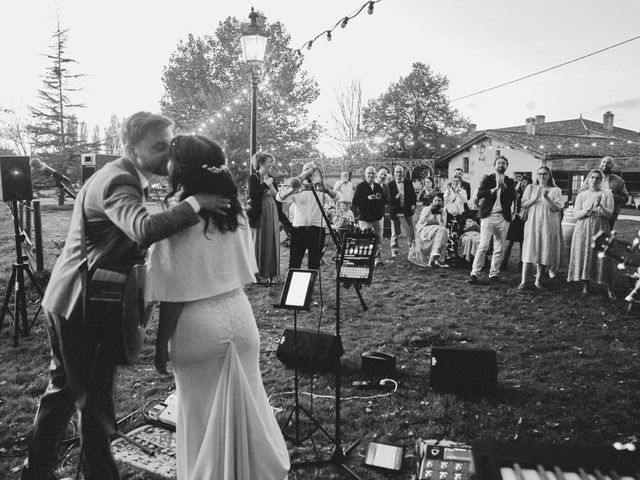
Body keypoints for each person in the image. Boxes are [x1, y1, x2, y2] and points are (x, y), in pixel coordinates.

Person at [21, 112, 230, 480]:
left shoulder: (124, 175)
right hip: (83, 305)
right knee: (96, 402)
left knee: (64, 390)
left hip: (67, 297)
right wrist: (196, 203)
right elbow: (143, 228)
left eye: (170, 144)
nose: (169, 155)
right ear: (131, 149)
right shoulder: (120, 179)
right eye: (159, 147)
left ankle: (35, 470)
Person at [149, 135, 290, 480]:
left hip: (196, 325)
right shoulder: (236, 211)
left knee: (200, 419)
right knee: (247, 411)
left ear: (181, 168)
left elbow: (174, 292)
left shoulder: (181, 216)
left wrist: (160, 344)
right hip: (241, 319)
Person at [276, 162, 337, 270]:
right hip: (299, 229)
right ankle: (293, 285)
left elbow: (337, 197)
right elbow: (279, 198)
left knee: (314, 264)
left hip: (317, 229)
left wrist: (326, 190)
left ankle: (310, 286)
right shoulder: (297, 187)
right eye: (306, 170)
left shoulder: (319, 187)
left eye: (311, 170)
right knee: (294, 263)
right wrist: (291, 190)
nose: (309, 172)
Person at [468, 155, 517, 284]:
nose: (501, 165)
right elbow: (479, 194)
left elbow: (513, 197)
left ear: (506, 166)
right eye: (499, 163)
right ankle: (474, 273)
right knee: (483, 246)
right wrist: (494, 189)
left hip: (503, 217)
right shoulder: (488, 179)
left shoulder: (510, 181)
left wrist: (504, 187)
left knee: (499, 248)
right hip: (488, 216)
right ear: (495, 165)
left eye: (503, 163)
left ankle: (494, 274)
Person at [567, 168, 615, 298]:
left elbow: (610, 215)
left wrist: (600, 206)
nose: (594, 180)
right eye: (592, 177)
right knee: (586, 254)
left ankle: (608, 287)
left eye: (597, 178)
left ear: (601, 181)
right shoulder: (582, 195)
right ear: (588, 179)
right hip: (584, 227)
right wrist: (589, 207)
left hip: (601, 227)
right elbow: (577, 215)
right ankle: (586, 285)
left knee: (603, 256)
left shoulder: (607, 194)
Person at [518, 167, 563, 290]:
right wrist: (536, 197)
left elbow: (556, 208)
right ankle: (523, 281)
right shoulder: (531, 188)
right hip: (532, 223)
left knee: (544, 250)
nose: (542, 176)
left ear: (549, 176)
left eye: (545, 174)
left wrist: (546, 197)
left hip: (548, 224)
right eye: (539, 174)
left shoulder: (556, 190)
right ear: (536, 176)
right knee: (529, 250)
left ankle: (538, 280)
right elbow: (523, 204)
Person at [247, 152, 280, 285]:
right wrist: (265, 184)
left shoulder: (271, 177)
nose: (270, 164)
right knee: (260, 241)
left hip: (271, 209)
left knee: (271, 239)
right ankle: (259, 275)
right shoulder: (253, 178)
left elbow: (276, 195)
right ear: (260, 163)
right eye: (268, 162)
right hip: (259, 212)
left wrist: (271, 186)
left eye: (271, 162)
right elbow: (253, 195)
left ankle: (271, 274)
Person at [579, 156, 628, 229]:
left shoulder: (619, 181)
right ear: (600, 164)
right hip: (590, 213)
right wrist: (593, 194)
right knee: (589, 236)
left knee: (605, 237)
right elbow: (581, 191)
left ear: (612, 165)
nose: (605, 164)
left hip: (608, 216)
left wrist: (611, 195)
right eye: (603, 162)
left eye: (608, 163)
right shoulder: (592, 177)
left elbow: (625, 199)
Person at [352, 166, 387, 265]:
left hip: (376, 217)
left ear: (375, 174)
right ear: (365, 174)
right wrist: (367, 198)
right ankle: (365, 259)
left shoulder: (377, 186)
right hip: (365, 218)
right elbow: (355, 202)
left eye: (373, 173)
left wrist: (380, 198)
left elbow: (385, 201)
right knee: (367, 239)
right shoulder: (360, 186)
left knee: (377, 239)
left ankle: (378, 260)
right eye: (369, 173)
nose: (371, 175)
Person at [408, 194, 449, 268]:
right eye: (435, 200)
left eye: (439, 201)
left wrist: (440, 215)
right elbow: (422, 222)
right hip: (425, 230)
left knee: (443, 231)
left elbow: (443, 225)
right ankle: (437, 256)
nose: (437, 202)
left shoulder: (443, 212)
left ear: (442, 202)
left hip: (438, 230)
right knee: (443, 230)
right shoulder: (426, 209)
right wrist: (429, 211)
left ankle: (433, 258)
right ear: (432, 202)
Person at [501, 175, 531, 271]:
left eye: (525, 182)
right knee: (510, 243)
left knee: (523, 243)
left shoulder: (530, 195)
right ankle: (504, 263)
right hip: (515, 220)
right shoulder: (516, 192)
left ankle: (521, 264)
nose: (523, 184)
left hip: (525, 220)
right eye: (522, 182)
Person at [388, 165, 417, 258]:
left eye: (400, 172)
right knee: (395, 232)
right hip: (395, 211)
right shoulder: (390, 184)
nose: (399, 174)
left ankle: (412, 249)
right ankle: (394, 250)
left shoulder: (408, 182)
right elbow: (388, 199)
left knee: (410, 231)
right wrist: (396, 197)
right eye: (397, 172)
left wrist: (413, 204)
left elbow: (413, 196)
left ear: (403, 173)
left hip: (407, 210)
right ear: (394, 173)